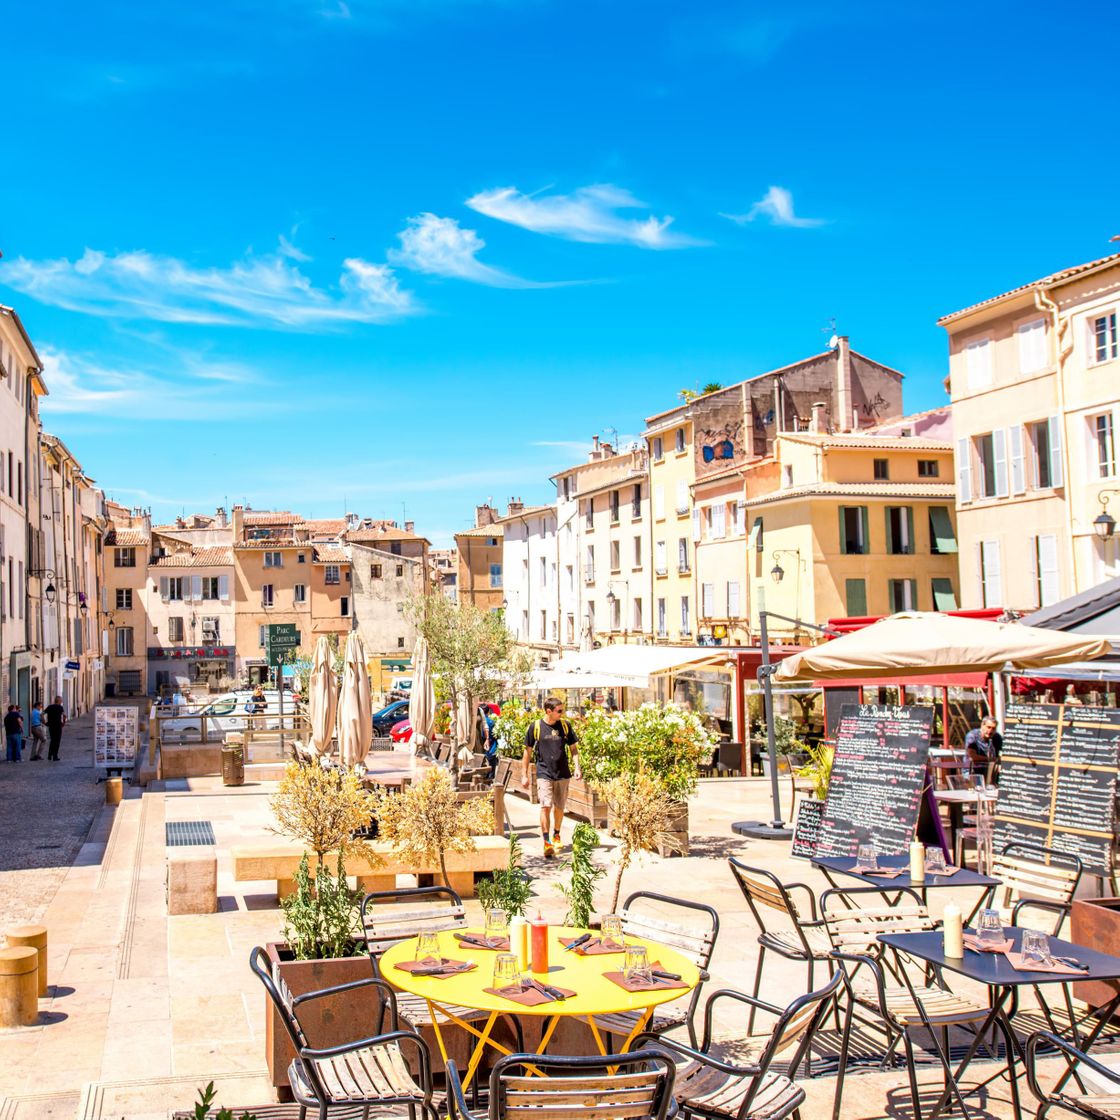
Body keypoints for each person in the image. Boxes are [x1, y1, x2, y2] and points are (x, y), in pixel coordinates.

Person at [521, 696, 580, 860]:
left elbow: (574, 749)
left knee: (560, 807)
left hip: (562, 773)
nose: (562, 713)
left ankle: (557, 835)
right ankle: (547, 841)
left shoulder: (565, 726)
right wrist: (524, 774)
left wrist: (577, 767)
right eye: (559, 711)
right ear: (549, 711)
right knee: (545, 806)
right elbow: (527, 752)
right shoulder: (536, 727)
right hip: (544, 772)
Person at [45, 695, 66, 761]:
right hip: (58, 726)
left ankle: (49, 755)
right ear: (59, 701)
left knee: (52, 740)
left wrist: (44, 722)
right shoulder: (60, 707)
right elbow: (64, 715)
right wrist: (63, 723)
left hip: (51, 726)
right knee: (57, 741)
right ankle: (55, 756)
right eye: (61, 700)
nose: (62, 701)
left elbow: (41, 714)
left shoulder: (49, 707)